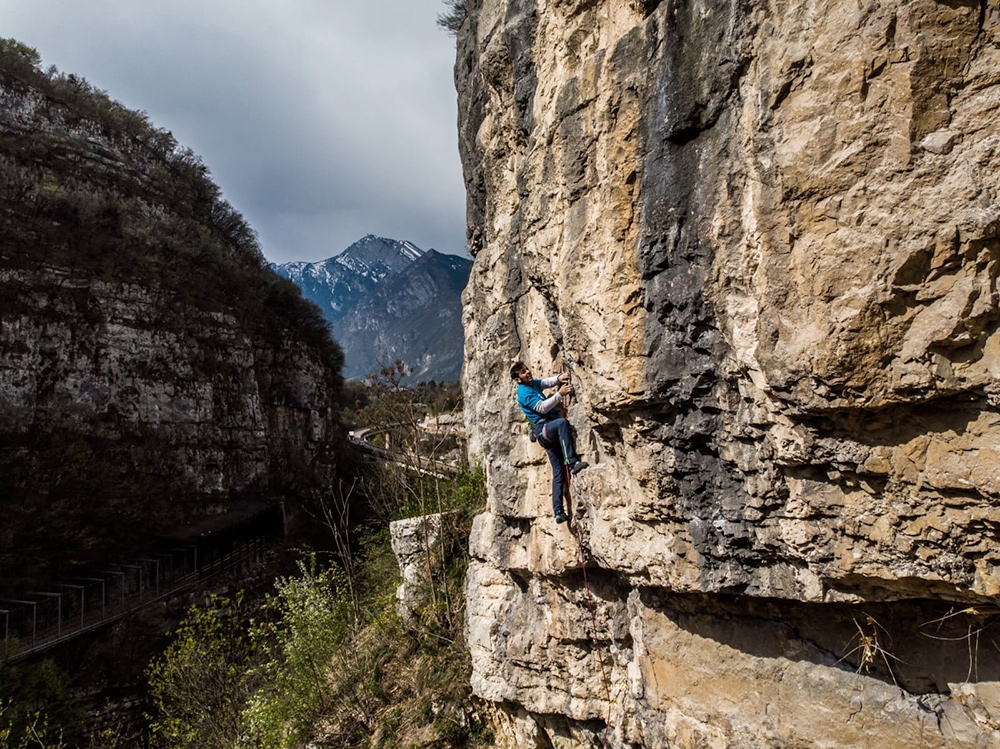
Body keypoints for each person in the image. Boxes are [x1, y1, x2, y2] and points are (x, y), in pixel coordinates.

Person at [510, 361, 588, 523]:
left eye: (527, 369)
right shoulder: (524, 392)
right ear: (518, 379)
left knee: (558, 473)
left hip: (545, 433)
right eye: (523, 372)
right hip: (544, 429)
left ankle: (558, 512)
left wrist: (560, 377)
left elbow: (546, 382)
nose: (528, 372)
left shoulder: (533, 384)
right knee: (562, 423)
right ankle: (572, 463)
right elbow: (541, 408)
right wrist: (559, 394)